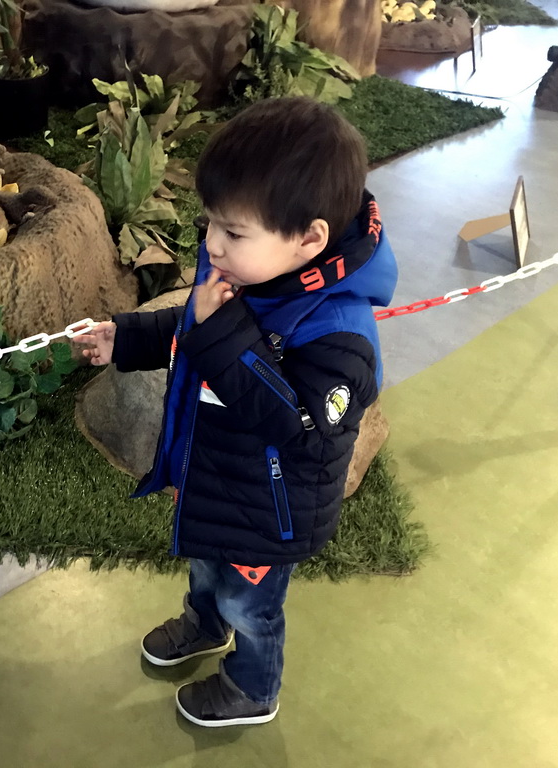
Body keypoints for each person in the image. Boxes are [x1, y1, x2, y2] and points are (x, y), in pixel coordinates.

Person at [75, 96, 398, 727]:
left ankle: (254, 688)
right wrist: (130, 337)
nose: (212, 246)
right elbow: (192, 325)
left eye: (232, 232)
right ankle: (203, 625)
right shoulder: (257, 268)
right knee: (205, 566)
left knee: (252, 605)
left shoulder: (342, 335)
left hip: (271, 511)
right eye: (210, 226)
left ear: (310, 238)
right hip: (220, 479)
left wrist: (219, 328)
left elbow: (295, 423)